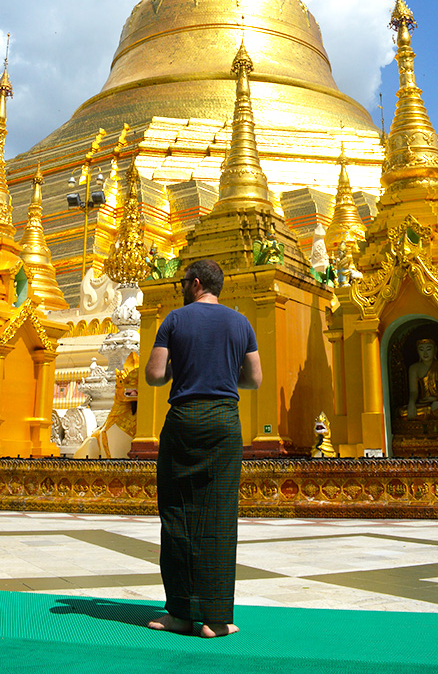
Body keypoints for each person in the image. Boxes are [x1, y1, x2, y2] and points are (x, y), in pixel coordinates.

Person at [145, 258, 262, 639]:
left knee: (177, 513)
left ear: (195, 283)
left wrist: (186, 365)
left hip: (185, 418)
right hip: (225, 421)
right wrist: (224, 374)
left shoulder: (174, 320)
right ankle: (215, 619)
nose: (182, 285)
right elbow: (255, 380)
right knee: (219, 516)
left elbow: (155, 375)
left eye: (183, 281)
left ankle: (180, 613)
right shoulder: (240, 322)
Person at [400, 336, 438, 419]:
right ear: (417, 351)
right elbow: (413, 391)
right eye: (421, 350)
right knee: (402, 412)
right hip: (424, 405)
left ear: (435, 350)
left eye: (429, 349)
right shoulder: (414, 368)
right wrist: (411, 403)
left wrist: (435, 398)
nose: (425, 354)